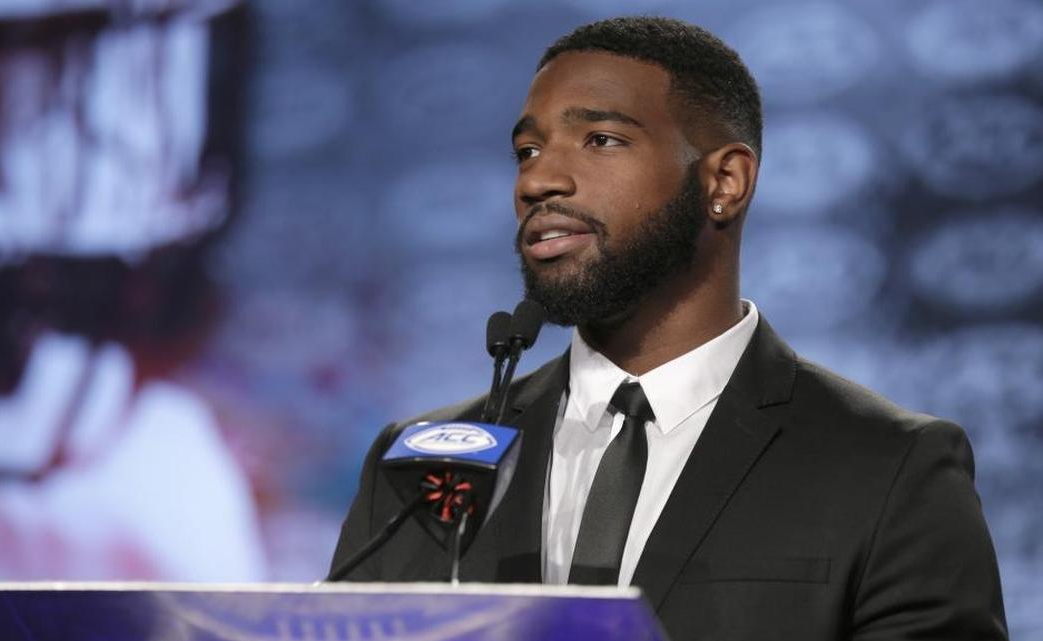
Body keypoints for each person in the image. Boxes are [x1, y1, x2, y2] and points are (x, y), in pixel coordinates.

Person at [331, 16, 1007, 641]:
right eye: (528, 148)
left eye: (601, 139)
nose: (539, 179)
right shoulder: (423, 464)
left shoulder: (889, 467)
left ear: (726, 181)